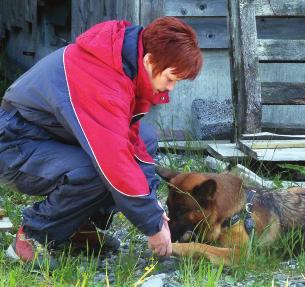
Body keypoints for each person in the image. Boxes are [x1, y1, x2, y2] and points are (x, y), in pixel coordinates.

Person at [0, 16, 202, 266]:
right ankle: (32, 237)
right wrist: (152, 225)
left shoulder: (125, 65)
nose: (171, 88)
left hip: (49, 137)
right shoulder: (102, 80)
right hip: (14, 143)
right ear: (149, 61)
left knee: (146, 139)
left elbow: (135, 145)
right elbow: (114, 161)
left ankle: (78, 227)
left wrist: (153, 210)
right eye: (171, 78)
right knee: (98, 171)